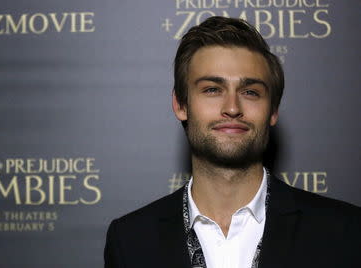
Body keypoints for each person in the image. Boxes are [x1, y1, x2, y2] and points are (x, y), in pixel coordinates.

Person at [104, 16, 360, 268]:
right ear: (180, 105)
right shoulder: (130, 240)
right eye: (212, 89)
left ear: (273, 111)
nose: (232, 108)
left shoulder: (345, 231)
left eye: (250, 92)